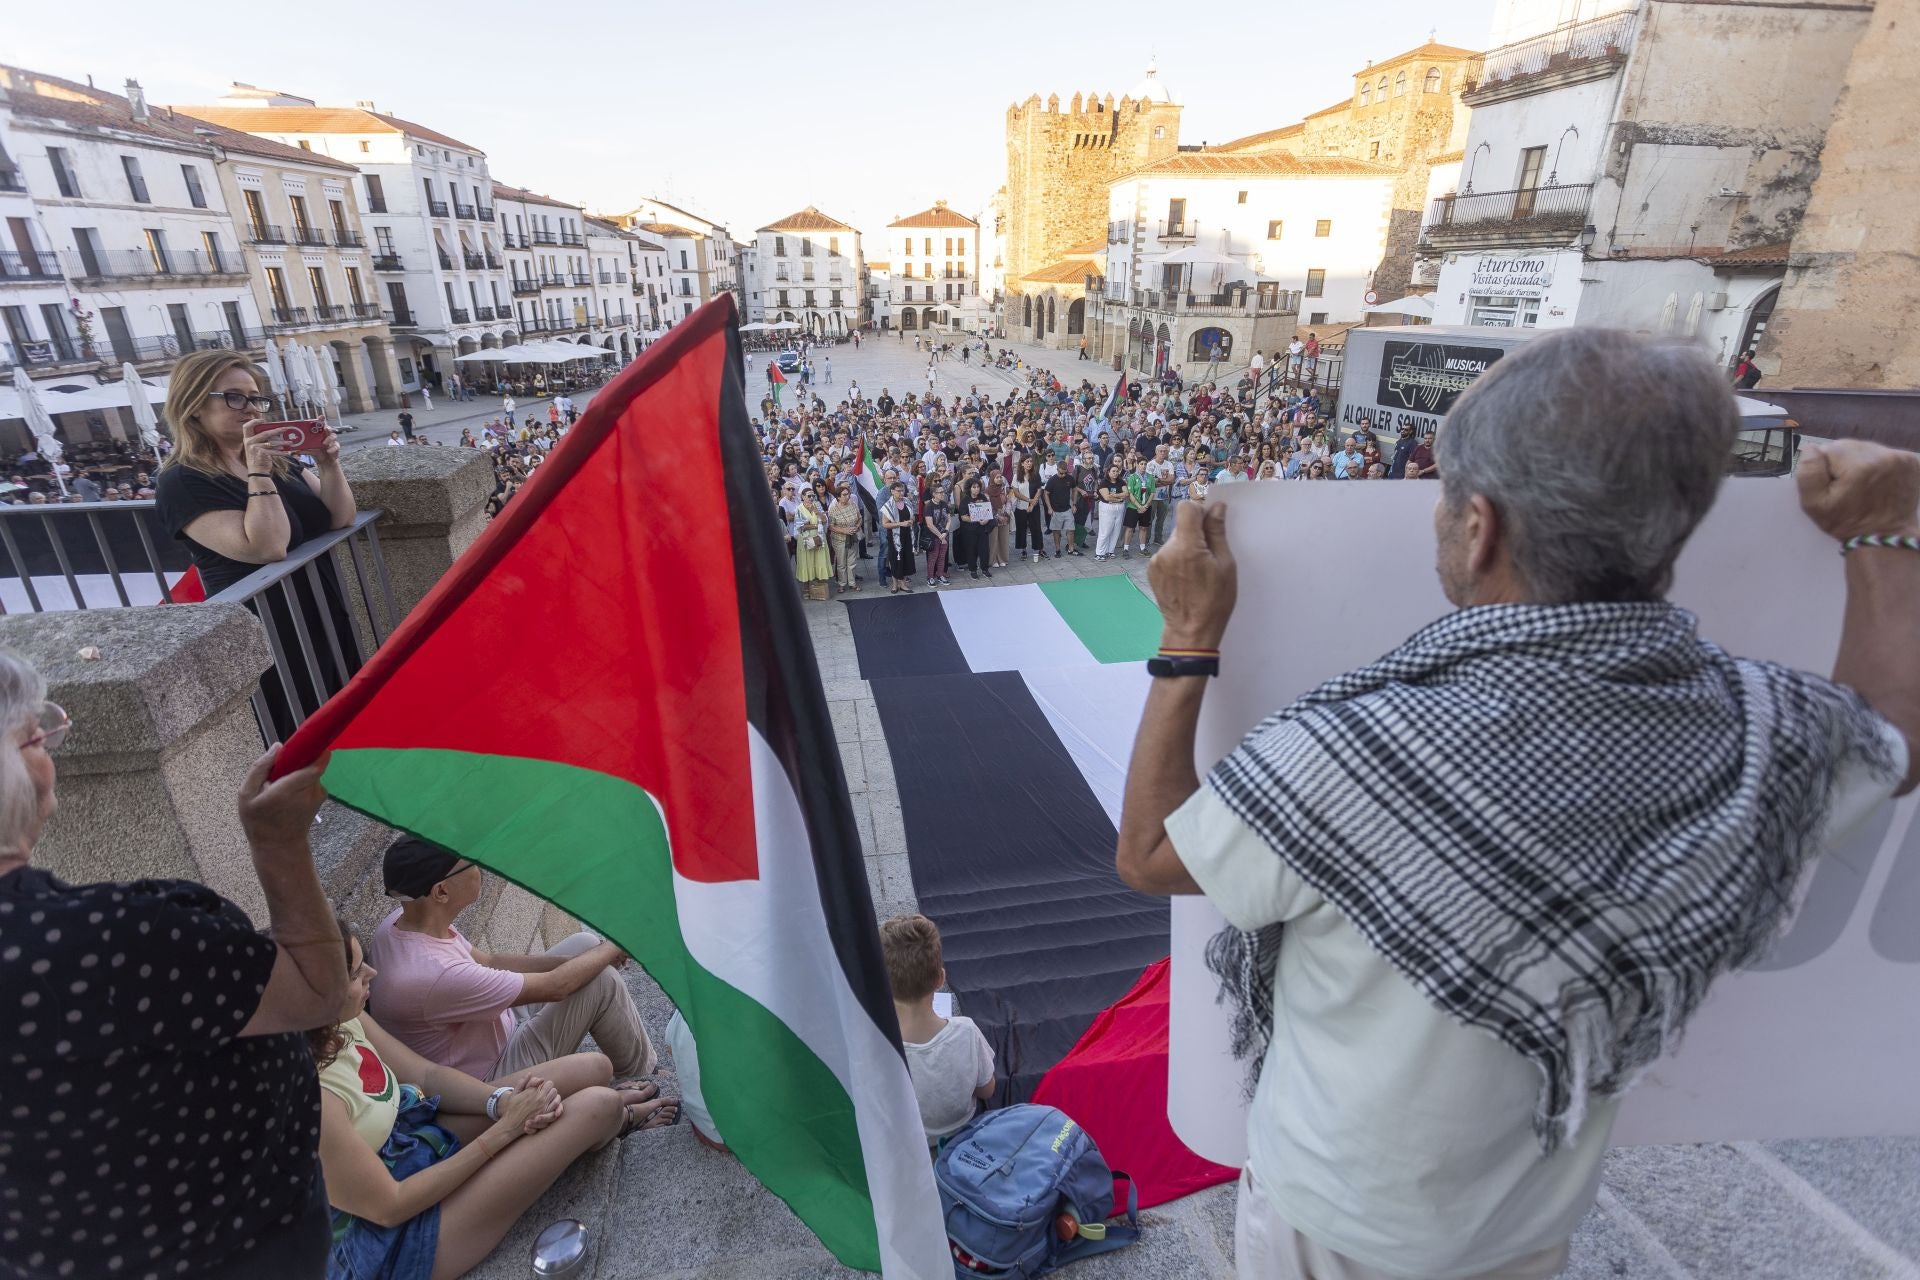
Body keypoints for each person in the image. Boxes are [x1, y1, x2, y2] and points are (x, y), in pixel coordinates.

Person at [1114, 328, 1920, 1280]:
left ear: (1479, 527)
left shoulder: (1351, 753)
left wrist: (1189, 639)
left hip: (1327, 1218)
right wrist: (1885, 531)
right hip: (1526, 1223)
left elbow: (1152, 856)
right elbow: (1890, 736)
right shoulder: (1754, 735)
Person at [0, 650, 352, 1279]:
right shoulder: (114, 939)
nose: (47, 751)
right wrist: (277, 840)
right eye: (37, 734)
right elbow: (319, 993)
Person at [315, 921, 671, 1279]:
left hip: (409, 1142)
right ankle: (617, 1121)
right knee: (600, 1106)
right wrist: (506, 1130)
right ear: (316, 995)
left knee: (594, 1067)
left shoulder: (345, 1019)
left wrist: (500, 1103)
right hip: (392, 1238)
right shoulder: (314, 1101)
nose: (372, 972)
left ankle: (594, 1123)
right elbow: (390, 1207)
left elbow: (425, 1075)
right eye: (355, 972)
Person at [156, 350, 360, 739]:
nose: (251, 408)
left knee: (342, 721)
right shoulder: (183, 481)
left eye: (256, 397)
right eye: (234, 397)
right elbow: (267, 547)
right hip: (266, 630)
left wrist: (329, 463)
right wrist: (257, 472)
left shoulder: (280, 462)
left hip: (320, 610)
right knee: (296, 734)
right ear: (194, 405)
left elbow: (340, 517)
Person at [366, 837, 660, 1087]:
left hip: (490, 1029)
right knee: (602, 981)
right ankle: (645, 1078)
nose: (480, 868)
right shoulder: (433, 975)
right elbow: (556, 987)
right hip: (492, 1073)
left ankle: (638, 1064)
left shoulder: (404, 922)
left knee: (586, 946)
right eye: (470, 863)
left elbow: (489, 961)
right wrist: (617, 944)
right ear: (441, 891)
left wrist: (590, 957)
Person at [881, 915, 996, 1147]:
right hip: (962, 1131)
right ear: (940, 978)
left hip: (911, 1143)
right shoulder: (967, 1032)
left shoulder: (879, 1050)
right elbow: (987, 1091)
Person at [880, 479, 918, 593]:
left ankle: (903, 583)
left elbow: (913, 516)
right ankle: (895, 584)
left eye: (902, 491)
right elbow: (885, 524)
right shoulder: (888, 505)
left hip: (907, 535)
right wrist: (901, 524)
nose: (901, 493)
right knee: (895, 559)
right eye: (898, 491)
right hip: (895, 537)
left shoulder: (907, 501)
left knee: (906, 558)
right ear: (892, 491)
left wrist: (911, 520)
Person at [795, 488, 832, 596]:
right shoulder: (799, 509)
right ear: (802, 497)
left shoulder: (817, 505)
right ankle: (806, 589)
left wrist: (818, 513)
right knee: (807, 562)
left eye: (812, 496)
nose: (811, 498)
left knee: (819, 561)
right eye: (808, 496)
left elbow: (825, 520)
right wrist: (815, 525)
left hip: (819, 537)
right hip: (806, 539)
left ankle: (818, 590)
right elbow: (801, 526)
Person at [956, 475, 993, 580]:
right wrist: (976, 519)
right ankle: (973, 570)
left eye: (978, 487)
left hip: (982, 529)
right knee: (971, 550)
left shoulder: (983, 497)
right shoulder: (965, 500)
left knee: (984, 550)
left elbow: (988, 511)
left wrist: (985, 520)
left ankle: (985, 569)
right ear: (969, 488)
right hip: (969, 530)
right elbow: (963, 517)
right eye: (974, 487)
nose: (976, 489)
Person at [827, 484, 862, 591]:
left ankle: (852, 583)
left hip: (853, 537)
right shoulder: (833, 509)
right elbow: (831, 526)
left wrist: (856, 526)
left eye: (848, 494)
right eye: (845, 494)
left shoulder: (853, 504)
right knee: (841, 563)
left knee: (852, 561)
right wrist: (844, 531)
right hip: (839, 540)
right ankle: (841, 584)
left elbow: (860, 518)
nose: (848, 496)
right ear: (838, 497)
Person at [1094, 461, 1127, 561]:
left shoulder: (1121, 482)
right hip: (1107, 508)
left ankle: (1110, 551)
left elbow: (1126, 493)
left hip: (1119, 508)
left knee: (1116, 530)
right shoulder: (1104, 482)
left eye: (1117, 471)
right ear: (1108, 472)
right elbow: (1107, 497)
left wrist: (1116, 496)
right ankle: (1099, 553)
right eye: (1113, 471)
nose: (1115, 473)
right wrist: (1119, 499)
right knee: (1105, 531)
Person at [923, 482, 953, 587]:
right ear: (934, 494)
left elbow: (949, 519)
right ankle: (930, 577)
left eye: (943, 492)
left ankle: (940, 575)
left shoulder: (944, 504)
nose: (942, 494)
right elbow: (929, 524)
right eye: (940, 492)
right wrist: (940, 535)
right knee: (933, 557)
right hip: (934, 536)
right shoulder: (928, 506)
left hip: (944, 535)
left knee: (942, 557)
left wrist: (945, 532)